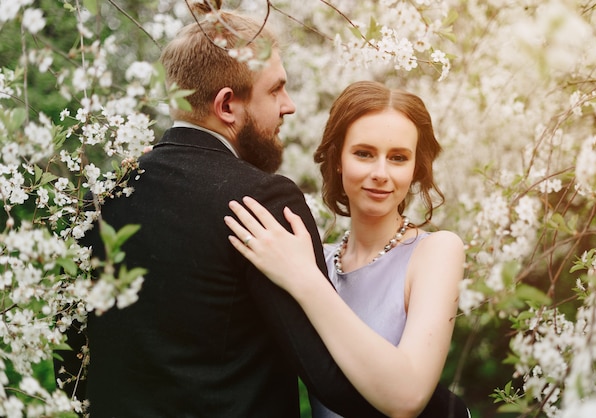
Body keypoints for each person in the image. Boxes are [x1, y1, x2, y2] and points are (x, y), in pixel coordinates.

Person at [61, 6, 389, 417]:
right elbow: (333, 380)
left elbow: (71, 372)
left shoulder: (98, 202)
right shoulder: (263, 203)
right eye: (275, 90)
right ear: (227, 106)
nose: (288, 106)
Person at [225, 80, 470, 418]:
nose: (381, 173)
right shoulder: (315, 260)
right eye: (364, 154)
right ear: (338, 158)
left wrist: (306, 281)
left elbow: (408, 396)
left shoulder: (436, 252)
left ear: (415, 168)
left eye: (398, 158)